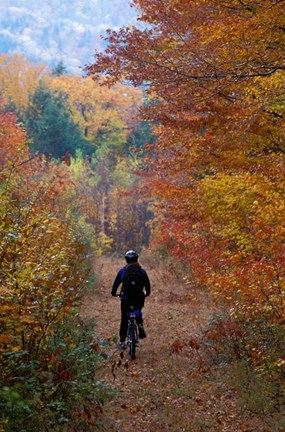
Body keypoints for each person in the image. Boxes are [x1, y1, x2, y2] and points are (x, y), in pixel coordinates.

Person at [111, 250, 151, 349]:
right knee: (137, 310)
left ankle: (122, 342)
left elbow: (115, 286)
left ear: (126, 260)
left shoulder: (122, 271)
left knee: (124, 319)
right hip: (139, 298)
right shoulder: (142, 271)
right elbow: (148, 286)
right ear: (137, 259)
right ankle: (139, 323)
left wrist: (114, 293)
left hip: (126, 299)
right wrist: (147, 293)